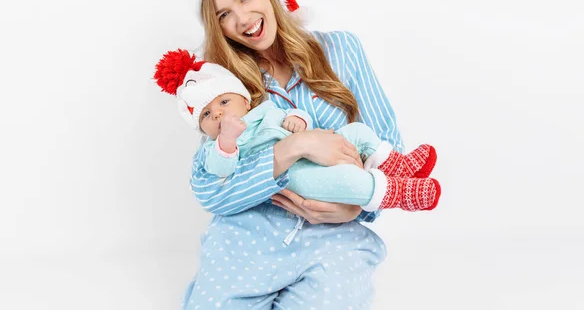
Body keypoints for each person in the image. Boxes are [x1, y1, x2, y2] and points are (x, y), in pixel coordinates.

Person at [168, 0, 441, 309]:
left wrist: (356, 208)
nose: (243, 18)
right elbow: (211, 188)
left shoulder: (341, 50)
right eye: (224, 15)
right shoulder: (219, 86)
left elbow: (387, 144)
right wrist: (293, 147)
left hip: (335, 238)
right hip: (247, 239)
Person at [154, 48, 441, 215]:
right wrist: (227, 141)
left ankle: (394, 164)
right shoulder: (212, 148)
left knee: (358, 130)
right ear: (201, 127)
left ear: (244, 100)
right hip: (295, 176)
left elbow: (291, 117)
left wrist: (298, 121)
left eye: (224, 101)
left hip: (315, 149)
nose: (216, 113)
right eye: (206, 115)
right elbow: (220, 167)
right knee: (347, 179)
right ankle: (395, 192)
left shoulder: (265, 111)